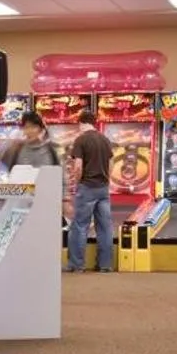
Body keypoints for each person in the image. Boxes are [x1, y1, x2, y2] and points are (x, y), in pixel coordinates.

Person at [65, 111, 115, 272]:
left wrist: (77, 182)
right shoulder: (104, 139)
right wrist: (106, 179)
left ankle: (77, 265)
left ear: (81, 123)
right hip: (103, 188)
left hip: (87, 187)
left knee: (79, 226)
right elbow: (111, 163)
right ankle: (105, 265)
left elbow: (78, 165)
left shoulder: (81, 140)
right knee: (105, 227)